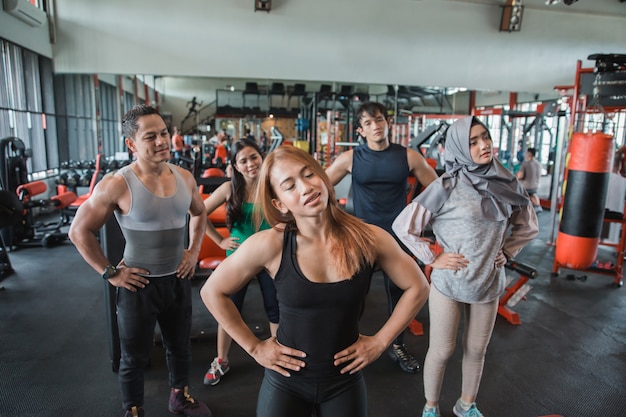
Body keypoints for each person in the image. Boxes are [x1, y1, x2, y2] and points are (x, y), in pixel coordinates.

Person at [201, 146, 430, 417]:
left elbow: (418, 287)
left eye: (309, 174)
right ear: (279, 204)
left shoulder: (369, 238)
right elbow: (212, 291)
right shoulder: (270, 244)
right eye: (290, 186)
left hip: (344, 381)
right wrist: (255, 348)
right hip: (285, 383)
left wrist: (380, 342)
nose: (306, 187)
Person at [68, 105, 211, 417]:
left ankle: (179, 397)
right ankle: (133, 409)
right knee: (134, 355)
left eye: (163, 133)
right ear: (131, 144)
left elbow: (199, 214)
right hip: (138, 286)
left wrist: (193, 251)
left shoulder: (185, 177)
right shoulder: (117, 184)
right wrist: (110, 273)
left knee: (180, 346)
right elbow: (79, 231)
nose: (162, 141)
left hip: (177, 279)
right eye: (151, 136)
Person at [392, 116, 539, 417]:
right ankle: (431, 407)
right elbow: (403, 226)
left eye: (485, 137)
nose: (484, 145)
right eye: (473, 142)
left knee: (477, 350)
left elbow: (528, 226)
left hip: (488, 281)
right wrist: (432, 257)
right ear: (458, 147)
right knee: (443, 350)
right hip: (449, 282)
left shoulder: (507, 182)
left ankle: (466, 405)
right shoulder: (445, 186)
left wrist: (508, 251)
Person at [325, 101, 438, 373]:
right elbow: (321, 185)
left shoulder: (408, 157)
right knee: (353, 293)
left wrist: (419, 222)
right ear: (360, 131)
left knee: (399, 294)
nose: (375, 126)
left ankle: (397, 346)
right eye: (368, 123)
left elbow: (438, 190)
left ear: (387, 123)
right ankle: (344, 345)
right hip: (363, 237)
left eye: (379, 120)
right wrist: (335, 220)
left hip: (398, 237)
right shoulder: (351, 159)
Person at [202, 138, 279, 386]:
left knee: (276, 308)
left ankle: (277, 356)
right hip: (238, 257)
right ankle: (221, 359)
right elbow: (198, 211)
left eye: (253, 157)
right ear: (235, 165)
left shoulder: (272, 185)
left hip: (269, 257)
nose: (250, 164)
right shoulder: (228, 189)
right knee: (228, 309)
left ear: (262, 156)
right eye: (243, 161)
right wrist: (219, 241)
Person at [516, 147, 542, 212]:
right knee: (532, 193)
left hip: (526, 187)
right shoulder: (538, 164)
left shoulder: (525, 164)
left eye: (526, 153)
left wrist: (516, 175)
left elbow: (520, 176)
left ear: (528, 154)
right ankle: (537, 206)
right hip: (536, 186)